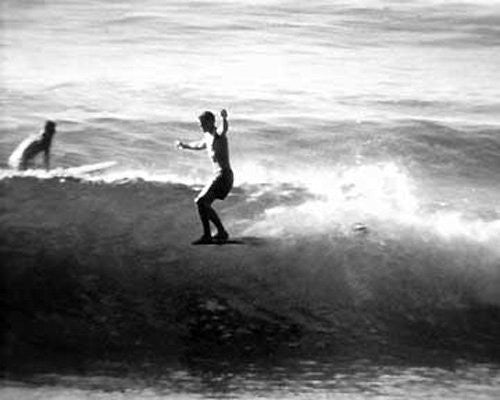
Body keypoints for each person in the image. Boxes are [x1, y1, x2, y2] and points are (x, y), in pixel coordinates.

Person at [176, 109, 234, 244]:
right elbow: (198, 145)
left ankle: (215, 233)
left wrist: (224, 118)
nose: (200, 126)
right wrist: (184, 145)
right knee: (202, 204)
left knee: (201, 201)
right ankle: (217, 233)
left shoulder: (217, 135)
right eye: (199, 123)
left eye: (202, 123)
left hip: (223, 176)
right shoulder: (208, 138)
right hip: (219, 176)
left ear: (210, 122)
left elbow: (224, 129)